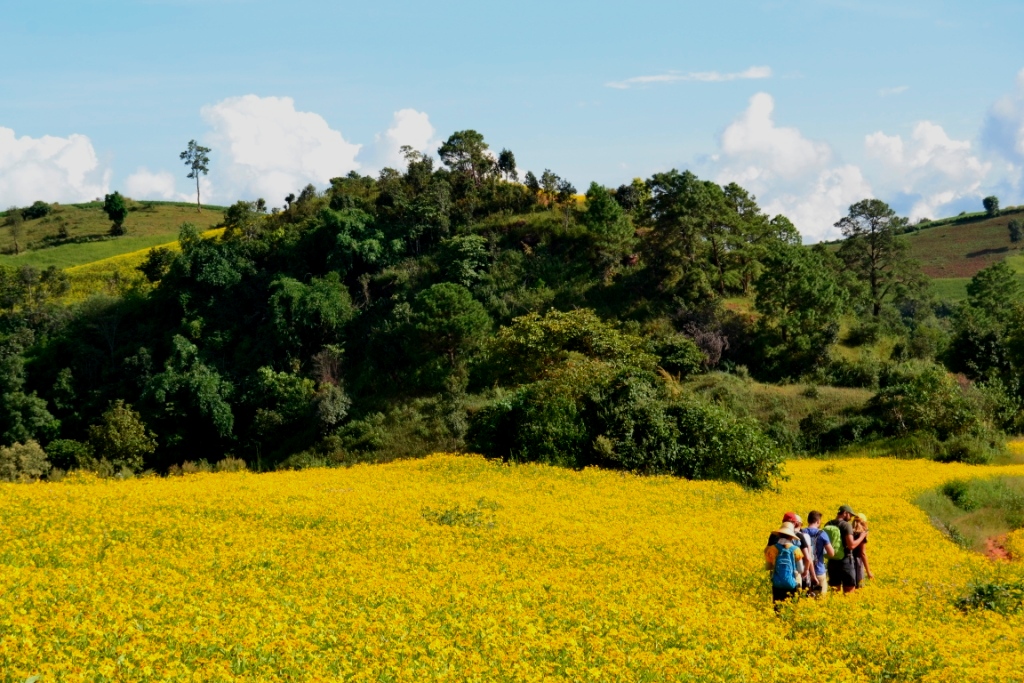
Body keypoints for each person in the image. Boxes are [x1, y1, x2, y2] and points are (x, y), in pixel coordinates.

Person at [825, 505, 865, 594]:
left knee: (834, 591)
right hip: (845, 561)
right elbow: (851, 545)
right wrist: (862, 536)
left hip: (832, 561)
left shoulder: (828, 524)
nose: (851, 518)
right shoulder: (846, 525)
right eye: (850, 515)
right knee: (849, 591)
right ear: (845, 513)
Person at [765, 521, 804, 609]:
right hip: (792, 583)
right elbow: (801, 569)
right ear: (791, 536)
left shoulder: (772, 549)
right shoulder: (796, 549)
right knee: (791, 608)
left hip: (777, 584)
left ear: (779, 534)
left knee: (778, 609)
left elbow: (767, 567)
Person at [803, 510, 834, 595]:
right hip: (819, 570)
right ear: (818, 521)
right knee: (820, 599)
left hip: (805, 571)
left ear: (808, 520)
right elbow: (831, 553)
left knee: (806, 599)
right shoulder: (822, 534)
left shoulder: (802, 532)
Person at [852, 513, 874, 587]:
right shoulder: (861, 534)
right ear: (864, 523)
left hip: (847, 561)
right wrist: (868, 571)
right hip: (857, 562)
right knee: (859, 586)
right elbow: (863, 553)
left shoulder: (849, 532)